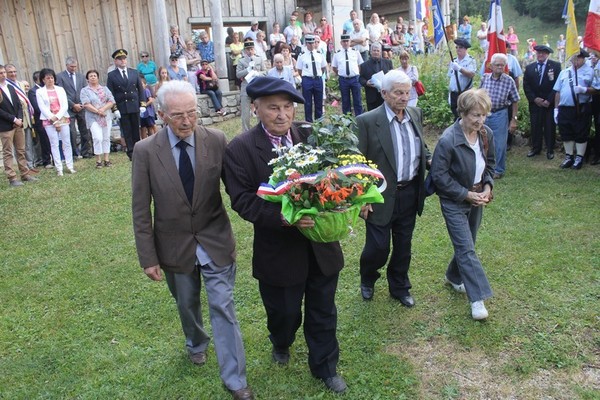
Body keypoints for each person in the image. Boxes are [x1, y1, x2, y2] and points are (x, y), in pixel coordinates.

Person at [223, 76, 347, 394]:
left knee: (322, 310)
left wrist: (349, 199)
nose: (282, 115)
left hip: (321, 248)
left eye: (288, 107)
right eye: (273, 108)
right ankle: (281, 340)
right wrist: (286, 219)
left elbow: (337, 174)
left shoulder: (311, 135)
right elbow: (244, 201)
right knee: (284, 313)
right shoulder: (240, 149)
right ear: (256, 108)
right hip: (278, 252)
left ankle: (325, 367)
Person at [131, 80, 253, 400]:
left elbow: (236, 188)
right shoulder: (145, 152)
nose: (186, 121)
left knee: (222, 306)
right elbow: (141, 209)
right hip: (173, 245)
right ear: (161, 115)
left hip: (214, 238)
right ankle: (196, 342)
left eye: (192, 113)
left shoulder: (216, 140)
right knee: (186, 303)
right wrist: (148, 257)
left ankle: (235, 380)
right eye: (178, 115)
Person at [356, 69, 430, 306]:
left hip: (409, 192)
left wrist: (430, 160)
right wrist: (362, 197)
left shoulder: (415, 114)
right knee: (378, 247)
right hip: (378, 195)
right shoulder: (367, 121)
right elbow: (357, 162)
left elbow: (422, 147)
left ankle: (399, 286)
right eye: (398, 92)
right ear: (384, 93)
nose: (404, 97)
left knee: (403, 245)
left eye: (407, 92)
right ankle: (368, 277)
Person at [430, 88, 495, 321]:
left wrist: (487, 188)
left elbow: (490, 166)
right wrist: (465, 194)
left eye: (484, 115)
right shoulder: (448, 140)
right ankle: (477, 300)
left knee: (468, 243)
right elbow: (439, 177)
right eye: (475, 115)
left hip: (477, 198)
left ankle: (453, 276)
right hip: (454, 201)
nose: (480, 120)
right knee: (467, 249)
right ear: (463, 113)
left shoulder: (486, 134)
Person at [479, 53, 519, 179]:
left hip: (500, 114)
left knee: (499, 143)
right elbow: (478, 95)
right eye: (497, 65)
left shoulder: (509, 81)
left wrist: (513, 120)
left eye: (503, 65)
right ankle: (482, 167)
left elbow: (515, 100)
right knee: (482, 141)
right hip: (485, 113)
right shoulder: (484, 78)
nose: (500, 67)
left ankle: (499, 169)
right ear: (491, 66)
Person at [553, 49, 595, 170]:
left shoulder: (589, 72)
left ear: (583, 59)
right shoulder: (564, 72)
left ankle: (579, 157)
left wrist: (584, 89)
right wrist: (556, 109)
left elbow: (595, 88)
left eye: (578, 58)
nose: (575, 60)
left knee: (581, 132)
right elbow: (558, 91)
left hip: (581, 107)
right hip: (565, 108)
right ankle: (569, 156)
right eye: (573, 58)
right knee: (566, 132)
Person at [106, 48, 147, 161]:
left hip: (134, 106)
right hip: (122, 107)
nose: (123, 61)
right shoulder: (112, 75)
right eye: (120, 59)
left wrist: (143, 104)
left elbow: (140, 90)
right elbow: (110, 93)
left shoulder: (134, 72)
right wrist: (114, 109)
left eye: (124, 58)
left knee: (136, 130)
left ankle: (138, 150)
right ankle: (131, 152)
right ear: (116, 61)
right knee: (127, 131)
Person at [0, 65, 37, 186]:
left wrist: (19, 118)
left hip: (18, 124)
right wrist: (13, 119)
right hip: (5, 125)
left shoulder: (10, 87)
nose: (4, 75)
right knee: (8, 152)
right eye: (1, 73)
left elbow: (19, 104)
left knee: (21, 150)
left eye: (4, 72)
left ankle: (25, 174)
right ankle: (12, 177)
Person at [523, 45, 561, 160]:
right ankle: (536, 148)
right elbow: (526, 86)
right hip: (535, 104)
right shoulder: (530, 67)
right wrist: (534, 99)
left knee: (550, 127)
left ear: (547, 54)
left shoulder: (555, 66)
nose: (540, 55)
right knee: (535, 126)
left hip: (549, 104)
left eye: (543, 53)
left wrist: (549, 100)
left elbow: (557, 85)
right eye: (538, 53)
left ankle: (550, 150)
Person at [36, 68, 76, 176]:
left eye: (52, 77)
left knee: (66, 142)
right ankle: (59, 167)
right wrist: (52, 117)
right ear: (43, 80)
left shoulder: (60, 90)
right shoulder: (40, 92)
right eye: (47, 78)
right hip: (49, 119)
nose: (50, 80)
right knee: (54, 144)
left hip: (62, 117)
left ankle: (70, 165)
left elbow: (64, 105)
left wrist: (58, 116)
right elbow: (42, 107)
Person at [56, 57, 92, 159]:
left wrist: (81, 104)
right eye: (71, 67)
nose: (73, 68)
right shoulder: (60, 77)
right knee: (71, 132)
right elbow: (61, 93)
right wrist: (73, 105)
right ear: (66, 65)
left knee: (85, 130)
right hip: (68, 108)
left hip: (82, 107)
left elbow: (85, 91)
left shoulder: (81, 76)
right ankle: (74, 153)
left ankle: (86, 152)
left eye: (75, 66)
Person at [80, 70, 115, 168]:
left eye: (95, 75)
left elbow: (111, 100)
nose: (93, 77)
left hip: (106, 116)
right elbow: (86, 104)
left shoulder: (105, 89)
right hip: (93, 118)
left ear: (98, 77)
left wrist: (103, 109)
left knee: (106, 137)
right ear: (87, 79)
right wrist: (98, 111)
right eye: (90, 76)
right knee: (97, 138)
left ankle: (106, 159)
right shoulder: (85, 91)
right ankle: (98, 160)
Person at [237, 40, 267, 132]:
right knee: (245, 111)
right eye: (248, 49)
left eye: (252, 49)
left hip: (257, 86)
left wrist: (258, 73)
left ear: (254, 49)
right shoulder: (241, 61)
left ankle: (260, 129)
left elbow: (265, 72)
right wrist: (247, 70)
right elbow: (238, 74)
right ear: (245, 50)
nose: (250, 51)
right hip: (246, 86)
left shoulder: (259, 59)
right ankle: (246, 131)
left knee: (259, 109)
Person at [296, 35, 327, 122]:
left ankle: (319, 122)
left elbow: (323, 67)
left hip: (317, 79)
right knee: (308, 103)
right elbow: (299, 69)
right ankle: (309, 123)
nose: (312, 45)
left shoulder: (319, 53)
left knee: (318, 102)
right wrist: (306, 77)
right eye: (309, 43)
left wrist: (317, 75)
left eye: (313, 43)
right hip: (307, 79)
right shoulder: (302, 55)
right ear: (306, 44)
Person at [331, 34, 364, 116]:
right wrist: (340, 74)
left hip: (355, 79)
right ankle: (347, 120)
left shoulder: (355, 52)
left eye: (347, 41)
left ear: (350, 42)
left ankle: (359, 119)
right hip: (343, 79)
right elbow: (334, 67)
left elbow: (361, 64)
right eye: (344, 41)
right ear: (341, 42)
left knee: (357, 100)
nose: (345, 43)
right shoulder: (337, 53)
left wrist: (357, 73)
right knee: (345, 101)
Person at [28, 71, 52, 168]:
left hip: (53, 118)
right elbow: (37, 107)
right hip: (41, 120)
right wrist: (48, 113)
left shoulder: (48, 89)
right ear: (38, 79)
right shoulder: (33, 91)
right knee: (44, 141)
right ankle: (46, 161)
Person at [359, 42, 394, 111]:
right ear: (371, 52)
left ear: (380, 52)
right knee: (372, 117)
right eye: (374, 50)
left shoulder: (388, 63)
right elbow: (361, 78)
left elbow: (392, 76)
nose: (376, 52)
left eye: (378, 51)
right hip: (371, 96)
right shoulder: (364, 65)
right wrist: (366, 83)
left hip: (385, 95)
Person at [448, 39, 477, 120]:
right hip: (454, 93)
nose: (458, 49)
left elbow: (471, 74)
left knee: (465, 115)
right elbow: (451, 77)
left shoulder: (470, 60)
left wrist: (460, 69)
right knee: (456, 115)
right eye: (456, 47)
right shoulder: (454, 60)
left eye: (460, 47)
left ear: (465, 49)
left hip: (464, 92)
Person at [588, 51, 600, 165]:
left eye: (596, 55)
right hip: (590, 99)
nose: (593, 57)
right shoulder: (588, 64)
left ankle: (597, 155)